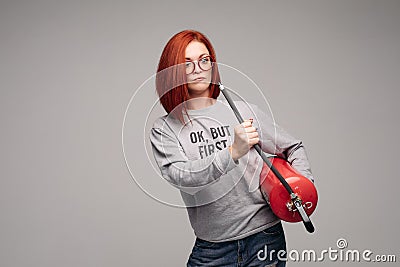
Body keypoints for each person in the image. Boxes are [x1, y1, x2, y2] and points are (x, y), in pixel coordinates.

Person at [150, 30, 314, 267]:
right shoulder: (165, 128)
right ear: (172, 72)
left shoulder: (244, 111)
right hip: (212, 249)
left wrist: (302, 188)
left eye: (204, 60)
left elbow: (294, 147)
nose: (198, 68)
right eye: (187, 63)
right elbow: (181, 177)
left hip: (265, 239)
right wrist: (231, 153)